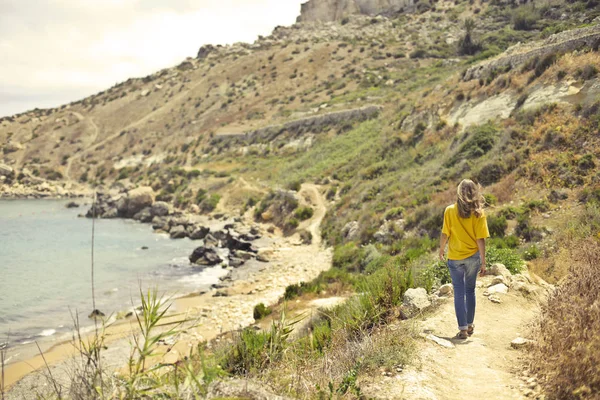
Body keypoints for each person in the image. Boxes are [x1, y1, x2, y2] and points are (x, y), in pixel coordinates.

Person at [438, 179, 490, 339]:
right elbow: (480, 239)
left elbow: (445, 233)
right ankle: (469, 324)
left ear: (459, 193)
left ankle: (462, 330)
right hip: (473, 258)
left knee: (459, 292)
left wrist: (441, 249)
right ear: (474, 193)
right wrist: (483, 260)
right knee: (470, 290)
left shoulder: (449, 211)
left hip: (455, 258)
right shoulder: (479, 214)